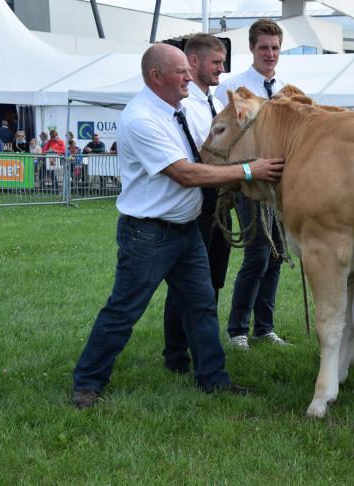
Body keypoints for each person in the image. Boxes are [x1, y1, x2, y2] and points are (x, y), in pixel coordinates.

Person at [70, 43, 285, 409]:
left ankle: (213, 379)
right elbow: (183, 173)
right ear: (157, 77)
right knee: (124, 311)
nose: (190, 76)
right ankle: (87, 383)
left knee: (201, 306)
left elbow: (207, 154)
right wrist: (250, 171)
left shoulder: (178, 109)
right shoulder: (141, 118)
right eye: (181, 71)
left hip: (185, 231)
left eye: (188, 69)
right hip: (149, 235)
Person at [162, 33, 234, 375]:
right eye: (216, 63)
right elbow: (194, 159)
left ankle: (203, 344)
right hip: (198, 202)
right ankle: (176, 354)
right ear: (194, 61)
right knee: (188, 282)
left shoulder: (217, 105)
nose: (222, 69)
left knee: (214, 278)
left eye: (222, 63)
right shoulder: (183, 107)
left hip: (221, 202)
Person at [215, 19, 288, 349]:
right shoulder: (232, 88)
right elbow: (224, 137)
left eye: (274, 48)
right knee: (257, 253)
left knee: (277, 255)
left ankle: (264, 327)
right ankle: (237, 329)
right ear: (251, 49)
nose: (270, 54)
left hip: (280, 184)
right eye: (264, 48)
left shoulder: (287, 89)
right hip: (249, 181)